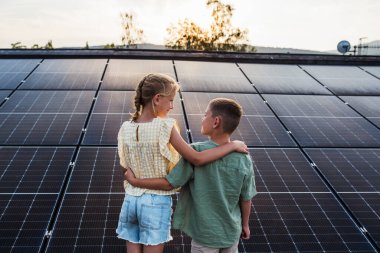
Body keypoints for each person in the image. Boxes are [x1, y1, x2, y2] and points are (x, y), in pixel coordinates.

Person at [116, 73, 248, 253]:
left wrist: (135, 181)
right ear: (157, 99)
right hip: (155, 201)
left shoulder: (125, 128)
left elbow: (125, 166)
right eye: (170, 100)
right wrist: (232, 145)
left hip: (130, 200)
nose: (171, 106)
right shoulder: (165, 126)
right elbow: (197, 158)